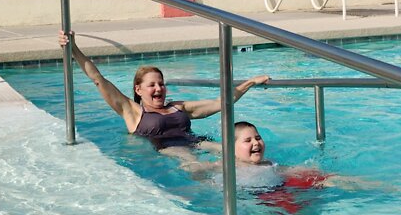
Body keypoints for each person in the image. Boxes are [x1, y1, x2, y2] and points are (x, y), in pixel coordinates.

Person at [58, 30, 270, 158]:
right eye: (152, 85)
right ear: (138, 89)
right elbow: (98, 79)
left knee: (232, 152)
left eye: (161, 84)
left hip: (195, 141)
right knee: (194, 164)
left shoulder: (179, 106)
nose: (159, 89)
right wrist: (73, 48)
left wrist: (249, 83)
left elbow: (220, 103)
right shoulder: (131, 111)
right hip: (168, 149)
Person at [181, 121, 390, 214]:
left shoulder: (269, 163)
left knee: (331, 179)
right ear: (231, 148)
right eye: (248, 141)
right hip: (260, 197)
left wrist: (310, 171)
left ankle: (389, 189)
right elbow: (200, 171)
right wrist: (193, 168)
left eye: (258, 137)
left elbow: (285, 170)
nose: (256, 143)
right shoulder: (225, 164)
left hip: (283, 185)